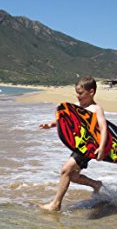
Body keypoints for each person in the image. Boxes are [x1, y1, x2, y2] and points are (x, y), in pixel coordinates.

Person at [39, 77, 106, 211]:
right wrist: (51, 124)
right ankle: (96, 184)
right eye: (76, 92)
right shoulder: (77, 106)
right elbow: (65, 120)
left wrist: (102, 147)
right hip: (79, 145)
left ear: (91, 92)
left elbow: (104, 128)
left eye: (80, 93)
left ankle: (56, 204)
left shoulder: (96, 108)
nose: (77, 95)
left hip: (90, 146)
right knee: (73, 176)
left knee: (66, 170)